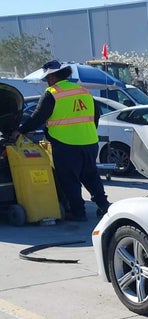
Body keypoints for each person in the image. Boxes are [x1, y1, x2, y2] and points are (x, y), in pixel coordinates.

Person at [13, 60, 110, 221]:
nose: (46, 81)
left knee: (69, 179)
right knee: (91, 176)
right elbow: (96, 116)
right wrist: (88, 132)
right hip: (90, 142)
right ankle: (104, 206)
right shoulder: (84, 91)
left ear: (51, 77)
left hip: (66, 144)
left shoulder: (52, 93)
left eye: (46, 78)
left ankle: (78, 212)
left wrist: (20, 131)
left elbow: (38, 117)